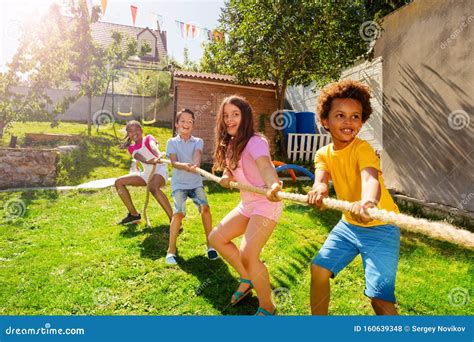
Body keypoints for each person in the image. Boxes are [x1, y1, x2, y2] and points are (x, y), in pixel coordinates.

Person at [307, 80, 400, 315]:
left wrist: (368, 202)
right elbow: (320, 179)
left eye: (355, 116)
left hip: (382, 228)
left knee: (379, 299)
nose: (349, 122)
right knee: (319, 270)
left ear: (361, 122)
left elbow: (370, 179)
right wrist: (319, 189)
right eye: (340, 115)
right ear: (325, 121)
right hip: (349, 225)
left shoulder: (362, 148)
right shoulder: (323, 154)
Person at [208, 95, 283, 316]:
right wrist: (225, 174)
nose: (230, 120)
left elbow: (265, 166)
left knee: (248, 253)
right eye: (225, 116)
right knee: (216, 238)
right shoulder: (231, 143)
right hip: (247, 204)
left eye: (235, 114)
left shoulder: (256, 141)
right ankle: (246, 278)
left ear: (245, 116)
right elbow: (231, 167)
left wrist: (273, 185)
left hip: (265, 204)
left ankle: (267, 306)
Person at [165, 109, 218, 265]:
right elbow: (174, 162)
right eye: (182, 121)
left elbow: (198, 154)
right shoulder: (171, 142)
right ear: (176, 124)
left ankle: (211, 246)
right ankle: (171, 250)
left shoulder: (198, 141)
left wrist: (195, 165)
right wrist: (185, 166)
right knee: (178, 213)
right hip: (179, 184)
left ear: (193, 125)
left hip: (195, 183)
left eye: (190, 121)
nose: (186, 124)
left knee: (205, 208)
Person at [115, 120, 172, 225]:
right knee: (118, 182)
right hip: (145, 174)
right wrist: (147, 161)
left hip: (159, 170)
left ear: (141, 130)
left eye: (136, 129)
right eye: (130, 131)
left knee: (153, 187)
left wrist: (158, 155)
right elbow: (138, 156)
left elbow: (153, 146)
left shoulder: (148, 138)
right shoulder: (131, 148)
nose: (134, 132)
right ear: (128, 134)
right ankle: (134, 215)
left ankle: (173, 220)